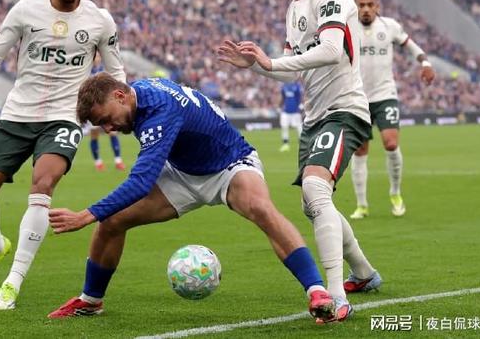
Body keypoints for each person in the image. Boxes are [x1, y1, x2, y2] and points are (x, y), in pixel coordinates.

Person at [47, 73, 339, 324]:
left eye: (106, 120)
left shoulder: (160, 109)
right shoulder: (138, 95)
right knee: (112, 220)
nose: (109, 129)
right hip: (181, 172)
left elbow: (141, 182)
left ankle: (317, 291)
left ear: (120, 96)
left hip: (230, 164)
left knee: (261, 209)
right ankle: (91, 300)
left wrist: (85, 215)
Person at [216, 0, 381, 319]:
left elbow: (331, 50)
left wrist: (271, 62)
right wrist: (257, 66)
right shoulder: (294, 10)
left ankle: (336, 296)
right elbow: (292, 73)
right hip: (315, 117)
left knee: (314, 189)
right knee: (313, 203)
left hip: (345, 110)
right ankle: (364, 272)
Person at [0, 0, 125, 311]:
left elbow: (116, 71)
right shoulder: (25, 10)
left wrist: (120, 108)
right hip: (17, 114)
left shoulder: (100, 20)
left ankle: (13, 281)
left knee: (43, 185)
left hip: (65, 116)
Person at [349, 0, 435, 219]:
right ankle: (362, 204)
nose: (365, 9)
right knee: (360, 149)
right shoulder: (348, 27)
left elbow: (411, 46)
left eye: (370, 5)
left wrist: (425, 63)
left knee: (390, 143)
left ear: (377, 6)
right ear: (356, 7)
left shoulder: (390, 26)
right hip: (357, 98)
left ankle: (395, 193)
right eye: (361, 5)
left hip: (385, 94)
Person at [88, 57, 125, 171]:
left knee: (113, 132)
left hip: (106, 107)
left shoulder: (104, 70)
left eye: (98, 56)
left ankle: (118, 161)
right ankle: (98, 162)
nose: (97, 59)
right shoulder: (87, 71)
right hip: (93, 109)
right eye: (95, 56)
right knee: (94, 134)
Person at [279, 81, 303, 152]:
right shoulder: (284, 86)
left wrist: (300, 105)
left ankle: (301, 144)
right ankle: (285, 144)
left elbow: (300, 97)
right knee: (284, 127)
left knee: (299, 127)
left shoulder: (297, 86)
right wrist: (280, 106)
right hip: (286, 111)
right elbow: (283, 97)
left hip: (295, 111)